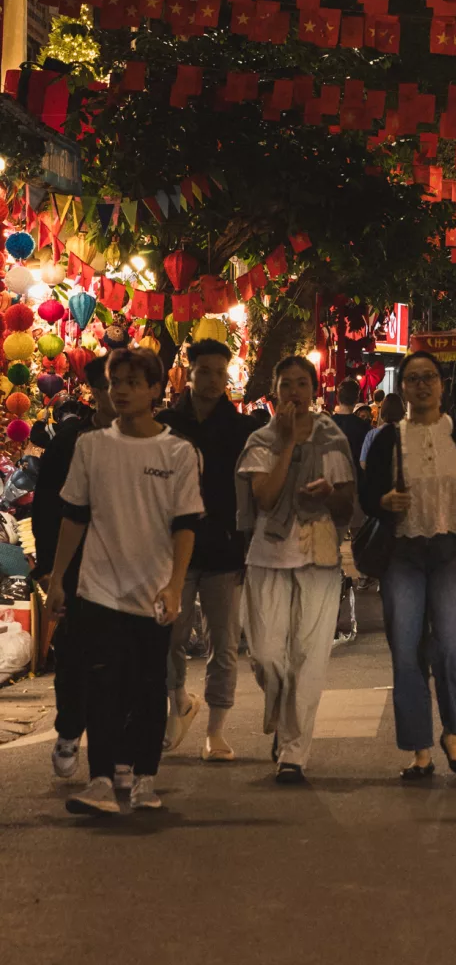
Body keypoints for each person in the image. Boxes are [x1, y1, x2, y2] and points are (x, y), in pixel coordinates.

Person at [44, 347, 204, 816]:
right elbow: (73, 516)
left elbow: (186, 525)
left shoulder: (177, 452)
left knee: (147, 685)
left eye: (134, 383)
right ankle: (99, 781)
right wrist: (57, 579)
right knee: (103, 684)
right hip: (98, 586)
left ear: (156, 390)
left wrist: (175, 584)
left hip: (153, 588)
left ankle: (141, 777)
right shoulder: (90, 447)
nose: (122, 392)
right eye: (116, 383)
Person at [360, 351, 456, 778]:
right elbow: (366, 495)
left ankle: (452, 731)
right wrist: (384, 501)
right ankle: (419, 749)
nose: (422, 385)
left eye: (429, 378)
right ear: (402, 387)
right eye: (413, 379)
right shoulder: (388, 438)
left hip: (451, 554)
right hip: (402, 555)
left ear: (442, 385)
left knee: (449, 648)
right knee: (406, 651)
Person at [236, 355, 356, 785]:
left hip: (319, 557)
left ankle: (293, 753)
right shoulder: (261, 440)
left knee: (309, 659)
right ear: (275, 391)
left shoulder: (332, 438)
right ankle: (284, 715)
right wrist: (286, 443)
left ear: (314, 389)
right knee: (267, 655)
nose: (294, 393)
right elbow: (265, 498)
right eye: (286, 384)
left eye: (302, 384)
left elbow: (347, 506)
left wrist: (329, 494)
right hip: (268, 557)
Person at [158, 339, 264, 761]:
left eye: (221, 373)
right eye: (205, 371)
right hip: (173, 552)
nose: (213, 380)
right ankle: (179, 703)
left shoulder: (240, 428)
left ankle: (216, 731)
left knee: (224, 643)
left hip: (224, 548)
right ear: (190, 372)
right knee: (170, 638)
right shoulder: (166, 423)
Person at [32, 356, 115, 781]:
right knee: (76, 653)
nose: (118, 392)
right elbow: (48, 505)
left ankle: (119, 753)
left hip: (129, 567)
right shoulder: (70, 439)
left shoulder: (155, 439)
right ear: (95, 390)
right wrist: (50, 569)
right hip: (78, 564)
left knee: (126, 659)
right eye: (109, 384)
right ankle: (69, 730)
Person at [331, 378, 371, 469]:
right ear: (357, 399)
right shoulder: (365, 427)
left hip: (332, 479)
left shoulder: (326, 424)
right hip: (357, 478)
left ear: (337, 398)